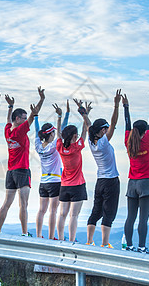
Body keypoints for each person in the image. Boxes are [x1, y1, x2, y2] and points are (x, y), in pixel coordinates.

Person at [0, 87, 45, 236]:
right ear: (18, 119)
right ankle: (24, 233)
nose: (25, 121)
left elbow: (7, 120)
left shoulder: (8, 131)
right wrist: (41, 99)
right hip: (22, 170)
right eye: (23, 118)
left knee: (6, 203)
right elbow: (32, 116)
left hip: (10, 171)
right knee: (23, 204)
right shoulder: (19, 131)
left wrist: (10, 107)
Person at [83, 90, 122, 248]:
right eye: (105, 128)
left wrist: (85, 114)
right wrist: (116, 105)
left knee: (95, 211)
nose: (107, 130)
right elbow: (114, 123)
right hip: (111, 181)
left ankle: (89, 240)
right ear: (102, 131)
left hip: (100, 181)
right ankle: (105, 243)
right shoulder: (104, 142)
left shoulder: (91, 142)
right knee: (109, 212)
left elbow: (88, 126)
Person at [123, 92, 149, 254]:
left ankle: (129, 246)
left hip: (132, 183)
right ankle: (142, 247)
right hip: (146, 183)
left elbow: (126, 124)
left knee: (130, 217)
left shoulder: (128, 142)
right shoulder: (147, 141)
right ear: (144, 132)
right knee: (143, 219)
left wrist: (125, 106)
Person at [56, 101, 91, 242]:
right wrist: (85, 115)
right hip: (77, 185)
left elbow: (59, 133)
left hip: (64, 185)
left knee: (62, 214)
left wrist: (59, 117)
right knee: (74, 216)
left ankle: (59, 239)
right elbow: (86, 130)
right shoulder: (77, 147)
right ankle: (71, 240)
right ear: (74, 136)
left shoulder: (60, 147)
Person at [34, 101, 70, 239]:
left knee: (41, 210)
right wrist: (62, 115)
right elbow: (63, 129)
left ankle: (38, 235)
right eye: (53, 132)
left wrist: (36, 116)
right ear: (50, 134)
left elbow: (37, 130)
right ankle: (50, 236)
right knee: (53, 211)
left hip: (43, 181)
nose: (55, 134)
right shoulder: (53, 145)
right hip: (55, 180)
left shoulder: (38, 145)